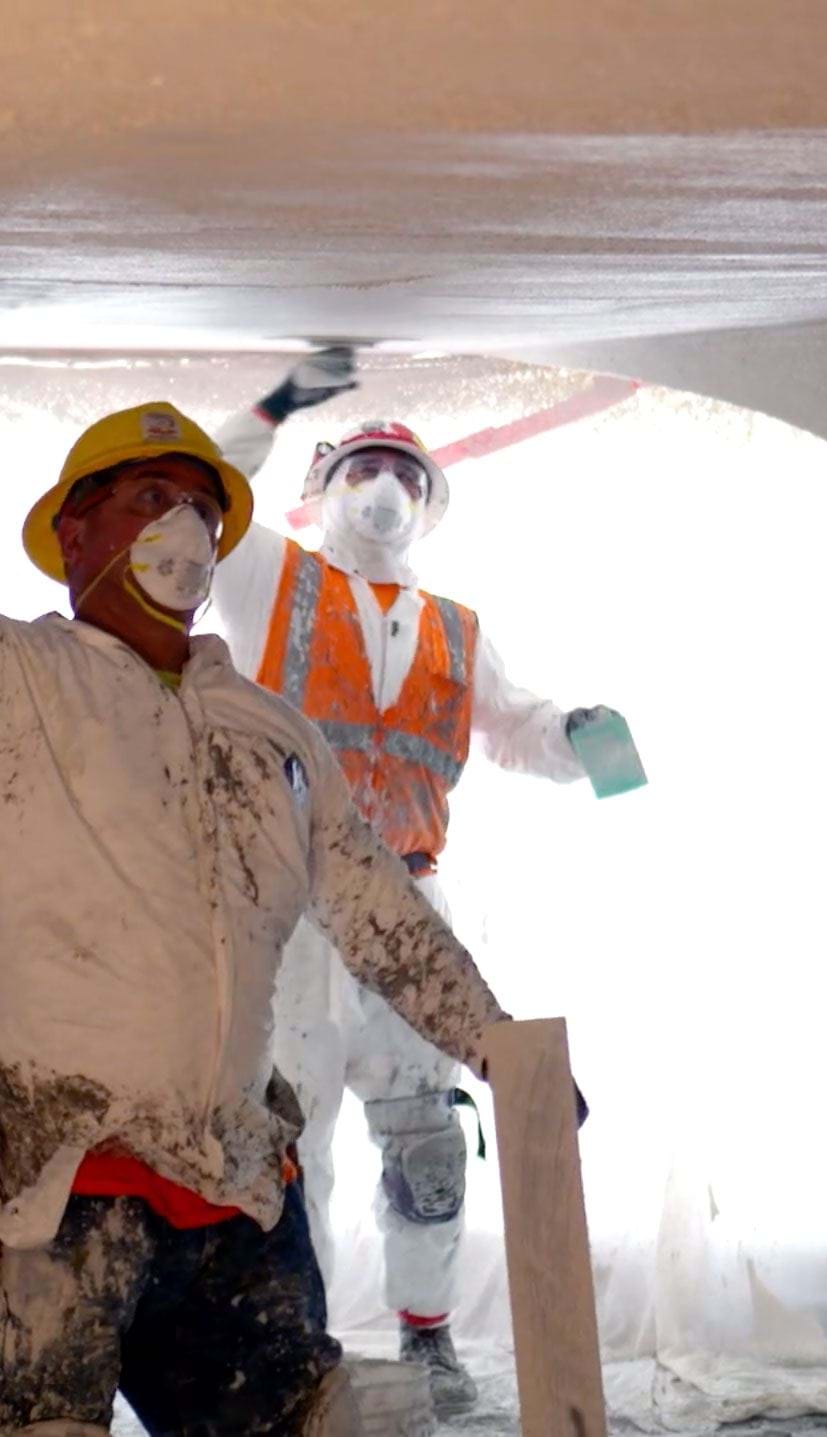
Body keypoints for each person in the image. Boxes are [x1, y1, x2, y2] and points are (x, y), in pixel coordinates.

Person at [0, 271, 581, 1437]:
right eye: (148, 497)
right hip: (51, 1185)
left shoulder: (269, 733)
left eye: (200, 505)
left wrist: (500, 1051)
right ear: (73, 533)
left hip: (234, 1190)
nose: (182, 527)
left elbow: (378, 912)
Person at [207, 353, 621, 1415]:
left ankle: (426, 1336)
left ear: (429, 504)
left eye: (402, 472)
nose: (382, 487)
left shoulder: (454, 628)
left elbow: (515, 729)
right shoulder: (272, 579)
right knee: (290, 1134)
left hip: (408, 900)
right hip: (289, 908)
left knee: (425, 1135)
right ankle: (294, 1337)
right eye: (362, 468)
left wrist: (580, 740)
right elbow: (200, 494)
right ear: (323, 489)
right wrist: (274, 409)